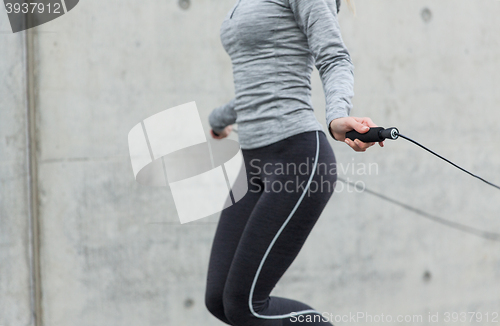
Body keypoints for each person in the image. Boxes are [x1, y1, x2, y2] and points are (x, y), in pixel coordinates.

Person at [205, 0, 383, 325]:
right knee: (219, 300)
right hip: (254, 161)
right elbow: (257, 78)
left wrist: (337, 117)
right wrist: (219, 120)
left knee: (246, 306)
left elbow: (334, 58)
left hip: (296, 157)